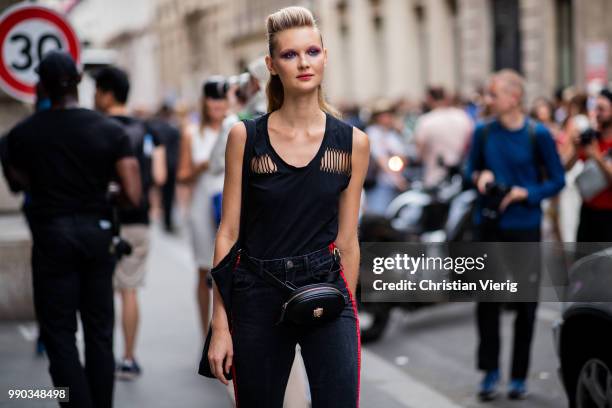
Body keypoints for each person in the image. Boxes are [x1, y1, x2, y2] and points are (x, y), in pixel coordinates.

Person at [207, 6, 369, 407]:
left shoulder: (353, 143)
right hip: (257, 291)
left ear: (325, 56)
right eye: (290, 54)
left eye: (312, 52)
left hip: (326, 283)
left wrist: (348, 316)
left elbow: (348, 241)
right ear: (271, 65)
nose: (303, 63)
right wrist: (220, 325)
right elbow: (228, 233)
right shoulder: (245, 137)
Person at [3, 51, 141, 408]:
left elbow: (18, 182)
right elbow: (132, 193)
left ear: (42, 85)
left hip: (52, 238)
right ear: (80, 81)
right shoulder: (109, 130)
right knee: (99, 332)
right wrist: (103, 191)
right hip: (98, 236)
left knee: (59, 334)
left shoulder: (20, 135)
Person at [465, 69, 565, 401]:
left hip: (524, 228)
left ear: (513, 98)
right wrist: (479, 176)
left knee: (525, 304)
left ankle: (519, 376)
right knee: (488, 302)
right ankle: (490, 372)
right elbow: (468, 172)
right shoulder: (482, 132)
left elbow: (557, 180)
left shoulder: (539, 135)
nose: (487, 101)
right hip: (489, 226)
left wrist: (526, 193)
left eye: (493, 94)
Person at [94, 66, 167, 380]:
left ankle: (102, 357)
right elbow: (160, 176)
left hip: (101, 219)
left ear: (107, 93)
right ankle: (129, 358)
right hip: (137, 220)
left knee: (100, 291)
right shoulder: (148, 130)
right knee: (130, 290)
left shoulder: (95, 127)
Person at [177, 77, 228, 338]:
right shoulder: (191, 132)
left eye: (221, 98)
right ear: (205, 102)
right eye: (212, 98)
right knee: (203, 267)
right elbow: (182, 174)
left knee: (231, 268)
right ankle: (205, 332)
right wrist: (202, 165)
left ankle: (228, 330)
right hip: (201, 203)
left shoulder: (236, 128)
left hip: (229, 202)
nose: (217, 104)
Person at [567, 89, 612, 242]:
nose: (597, 113)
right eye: (595, 108)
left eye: (602, 109)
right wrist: (574, 148)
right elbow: (565, 167)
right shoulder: (591, 138)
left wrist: (597, 157)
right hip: (588, 212)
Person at [414, 86, 473, 188]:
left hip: (435, 178)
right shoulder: (462, 116)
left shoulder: (425, 121)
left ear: (429, 99)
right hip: (461, 177)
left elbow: (419, 153)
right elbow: (471, 142)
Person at [364, 100, 408, 215]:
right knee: (379, 215)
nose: (387, 118)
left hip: (394, 182)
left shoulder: (392, 133)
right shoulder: (373, 132)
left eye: (389, 115)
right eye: (383, 115)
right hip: (380, 183)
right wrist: (397, 180)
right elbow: (380, 158)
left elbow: (404, 154)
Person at [147, 102, 181, 233]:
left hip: (157, 163)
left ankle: (156, 212)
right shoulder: (173, 128)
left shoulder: (153, 127)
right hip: (171, 164)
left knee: (155, 191)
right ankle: (167, 220)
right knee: (169, 195)